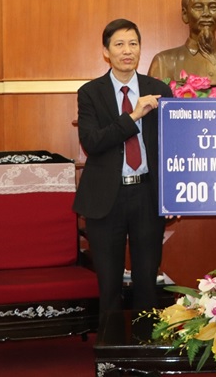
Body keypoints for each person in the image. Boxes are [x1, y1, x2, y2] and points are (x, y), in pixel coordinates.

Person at [73, 18, 173, 318]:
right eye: (119, 44)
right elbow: (92, 142)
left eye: (133, 43)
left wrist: (172, 195)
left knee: (147, 282)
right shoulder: (91, 92)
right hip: (106, 198)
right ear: (106, 52)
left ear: (140, 49)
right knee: (109, 285)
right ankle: (110, 343)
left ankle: (145, 342)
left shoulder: (159, 90)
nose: (127, 50)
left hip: (147, 195)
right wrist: (133, 116)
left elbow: (170, 146)